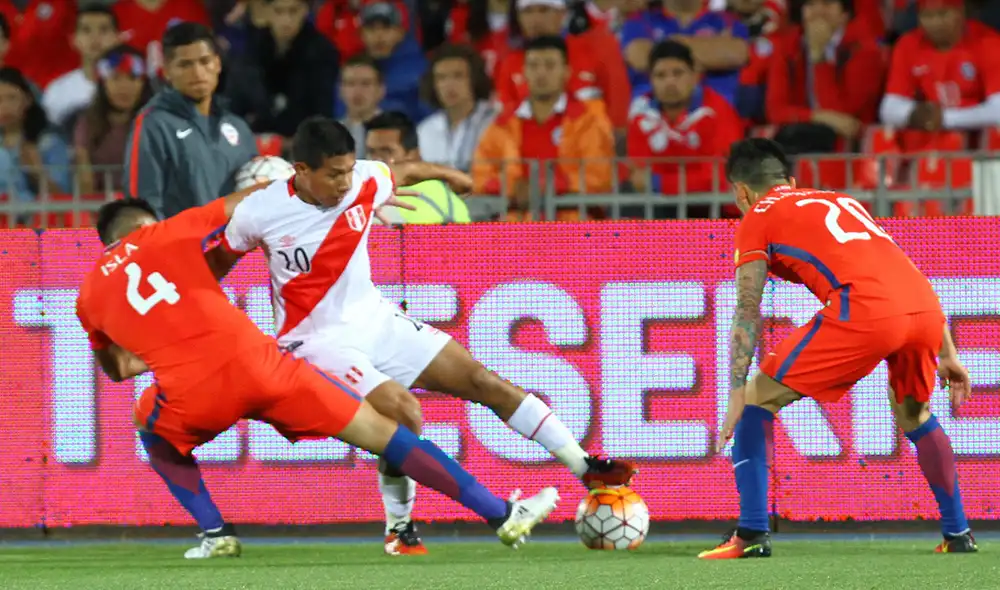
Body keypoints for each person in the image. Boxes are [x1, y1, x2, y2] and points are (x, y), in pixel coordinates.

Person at [214, 116, 633, 555]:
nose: (344, 182)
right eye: (333, 174)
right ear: (301, 170)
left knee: (483, 381)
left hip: (377, 319)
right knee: (405, 413)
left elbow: (406, 170)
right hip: (318, 341)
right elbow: (218, 263)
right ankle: (400, 529)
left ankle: (585, 467)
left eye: (348, 170)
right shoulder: (260, 211)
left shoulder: (364, 178)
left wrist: (451, 176)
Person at [75, 183, 560, 561]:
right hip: (264, 366)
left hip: (194, 394)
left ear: (106, 241)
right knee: (385, 434)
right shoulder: (168, 232)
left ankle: (216, 532)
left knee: (150, 426)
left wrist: (165, 347)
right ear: (146, 225)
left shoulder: (88, 296)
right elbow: (242, 201)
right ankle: (500, 514)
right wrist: (298, 180)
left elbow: (118, 368)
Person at [699, 138, 977, 560]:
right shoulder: (842, 200)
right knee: (914, 414)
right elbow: (902, 268)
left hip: (867, 310)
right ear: (791, 181)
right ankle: (959, 534)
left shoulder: (757, 215)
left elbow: (747, 307)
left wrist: (737, 390)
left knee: (756, 400)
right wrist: (947, 351)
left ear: (741, 192)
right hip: (923, 308)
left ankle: (752, 533)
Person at [123, 22, 257, 219]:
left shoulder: (238, 127)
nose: (197, 72)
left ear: (217, 64)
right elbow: (142, 206)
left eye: (204, 61)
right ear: (167, 70)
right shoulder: (154, 124)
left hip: (234, 248)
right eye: (185, 64)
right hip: (180, 248)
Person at [366, 111, 472, 224]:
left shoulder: (440, 192)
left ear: (413, 154)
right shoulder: (363, 191)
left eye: (387, 151)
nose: (376, 160)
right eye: (371, 152)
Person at [74, 45, 153, 194]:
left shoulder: (156, 122)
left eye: (132, 78)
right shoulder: (88, 123)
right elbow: (85, 184)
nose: (124, 87)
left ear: (144, 83)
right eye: (115, 78)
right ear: (103, 83)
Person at [416, 44, 497, 172]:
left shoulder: (495, 123)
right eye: (441, 78)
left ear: (474, 79)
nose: (449, 85)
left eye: (458, 76)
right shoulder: (425, 130)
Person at [42, 5, 120, 130]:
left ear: (118, 38)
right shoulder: (57, 91)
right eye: (86, 30)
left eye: (104, 30)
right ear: (73, 40)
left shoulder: (132, 87)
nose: (95, 38)